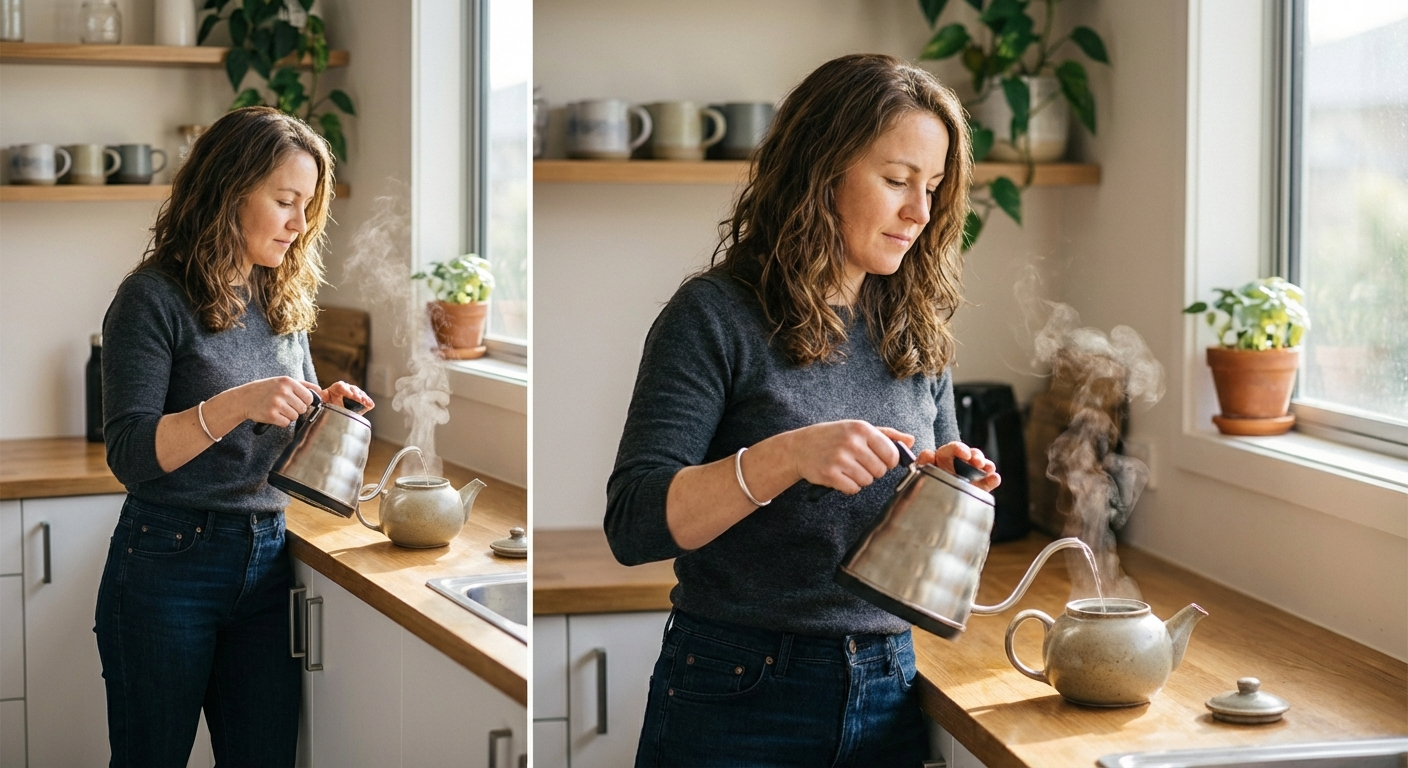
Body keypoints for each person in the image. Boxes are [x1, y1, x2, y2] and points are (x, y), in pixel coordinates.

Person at [605, 53, 1002, 767]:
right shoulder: (715, 316)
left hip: (889, 685)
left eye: (935, 187)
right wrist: (787, 456)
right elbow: (634, 523)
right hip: (735, 691)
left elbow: (925, 511)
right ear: (822, 172)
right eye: (896, 180)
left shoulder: (916, 324)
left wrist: (945, 482)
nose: (920, 211)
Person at [95, 106, 373, 767]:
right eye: (284, 201)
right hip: (167, 562)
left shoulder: (280, 298)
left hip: (268, 559)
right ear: (229, 190)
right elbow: (130, 455)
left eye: (307, 206)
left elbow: (277, 418)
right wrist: (234, 404)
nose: (299, 224)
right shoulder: (151, 298)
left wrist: (319, 409)